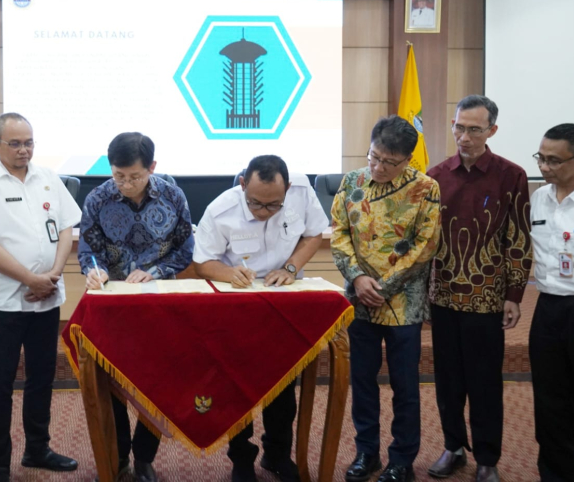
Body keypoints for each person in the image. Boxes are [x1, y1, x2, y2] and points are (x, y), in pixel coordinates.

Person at [193, 154, 329, 482]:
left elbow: (314, 234)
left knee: (282, 386)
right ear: (242, 186)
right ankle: (241, 460)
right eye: (256, 204)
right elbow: (202, 262)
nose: (264, 212)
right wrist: (228, 273)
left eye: (274, 206)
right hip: (237, 306)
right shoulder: (220, 210)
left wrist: (291, 268)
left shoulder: (301, 191)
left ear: (287, 190)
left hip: (282, 302)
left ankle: (277, 455)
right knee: (237, 388)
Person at [0, 112, 81, 482]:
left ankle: (37, 448)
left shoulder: (47, 177)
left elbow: (65, 228)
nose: (24, 150)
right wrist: (31, 277)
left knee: (42, 376)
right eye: (15, 143)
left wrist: (53, 275)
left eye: (29, 142)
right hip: (7, 302)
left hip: (46, 298)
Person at [426, 96, 532, 482]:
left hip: (488, 298)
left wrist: (514, 294)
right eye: (458, 127)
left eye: (474, 129)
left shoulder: (510, 175)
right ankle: (453, 447)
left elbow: (518, 238)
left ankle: (487, 457)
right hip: (444, 295)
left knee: (485, 382)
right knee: (447, 380)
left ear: (491, 131)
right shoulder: (435, 177)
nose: (464, 136)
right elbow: (425, 243)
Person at [79, 132, 194, 482]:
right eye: (118, 175)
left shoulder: (173, 196)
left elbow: (185, 249)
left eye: (134, 176)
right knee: (110, 381)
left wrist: (156, 270)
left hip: (158, 303)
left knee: (156, 382)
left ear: (152, 168)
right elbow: (88, 248)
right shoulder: (99, 198)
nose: (125, 184)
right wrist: (93, 270)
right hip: (114, 307)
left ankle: (145, 459)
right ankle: (119, 458)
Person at [331, 117, 441, 482]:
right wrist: (359, 279)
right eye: (373, 157)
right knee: (362, 382)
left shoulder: (426, 188)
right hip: (360, 300)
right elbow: (340, 234)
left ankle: (402, 460)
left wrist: (383, 287)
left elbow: (425, 247)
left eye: (388, 162)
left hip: (403, 306)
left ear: (408, 159)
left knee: (405, 386)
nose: (378, 167)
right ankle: (367, 453)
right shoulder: (351, 182)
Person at [529, 123, 574, 482]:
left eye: (554, 160)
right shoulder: (539, 198)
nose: (545, 167)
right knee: (552, 405)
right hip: (549, 309)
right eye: (541, 157)